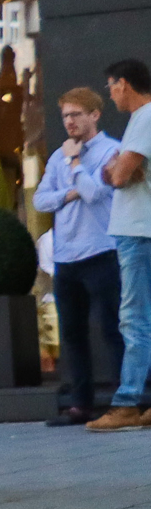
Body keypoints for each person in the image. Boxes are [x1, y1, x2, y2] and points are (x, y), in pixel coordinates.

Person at [34, 87, 123, 425]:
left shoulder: (110, 151)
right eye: (65, 116)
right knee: (72, 333)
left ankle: (123, 401)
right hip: (66, 256)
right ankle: (80, 404)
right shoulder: (58, 156)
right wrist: (71, 190)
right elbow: (41, 200)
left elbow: (97, 192)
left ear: (94, 115)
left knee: (113, 328)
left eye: (76, 115)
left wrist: (75, 164)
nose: (69, 122)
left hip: (101, 250)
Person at [90, 59, 151, 429]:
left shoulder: (143, 118)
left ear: (124, 84)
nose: (111, 93)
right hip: (142, 227)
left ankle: (127, 402)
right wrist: (118, 171)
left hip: (137, 229)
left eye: (111, 85)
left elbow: (120, 174)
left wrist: (117, 170)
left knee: (134, 318)